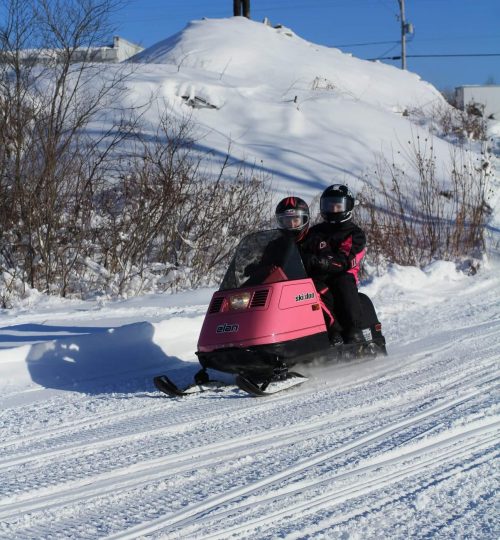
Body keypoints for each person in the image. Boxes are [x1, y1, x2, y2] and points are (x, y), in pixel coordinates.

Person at [304, 184, 367, 343]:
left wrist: (323, 261)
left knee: (342, 282)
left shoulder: (354, 233)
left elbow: (345, 259)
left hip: (341, 274)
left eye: (338, 205)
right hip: (317, 275)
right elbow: (299, 249)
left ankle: (352, 330)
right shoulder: (315, 232)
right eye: (330, 205)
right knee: (304, 290)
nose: (333, 209)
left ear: (348, 206)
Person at [274, 196, 341, 343]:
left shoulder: (315, 240)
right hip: (283, 286)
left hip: (313, 282)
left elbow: (330, 259)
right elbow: (266, 260)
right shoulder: (276, 244)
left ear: (304, 220)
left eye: (295, 220)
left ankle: (334, 331)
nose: (291, 224)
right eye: (286, 220)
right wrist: (254, 267)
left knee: (313, 294)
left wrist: (319, 261)